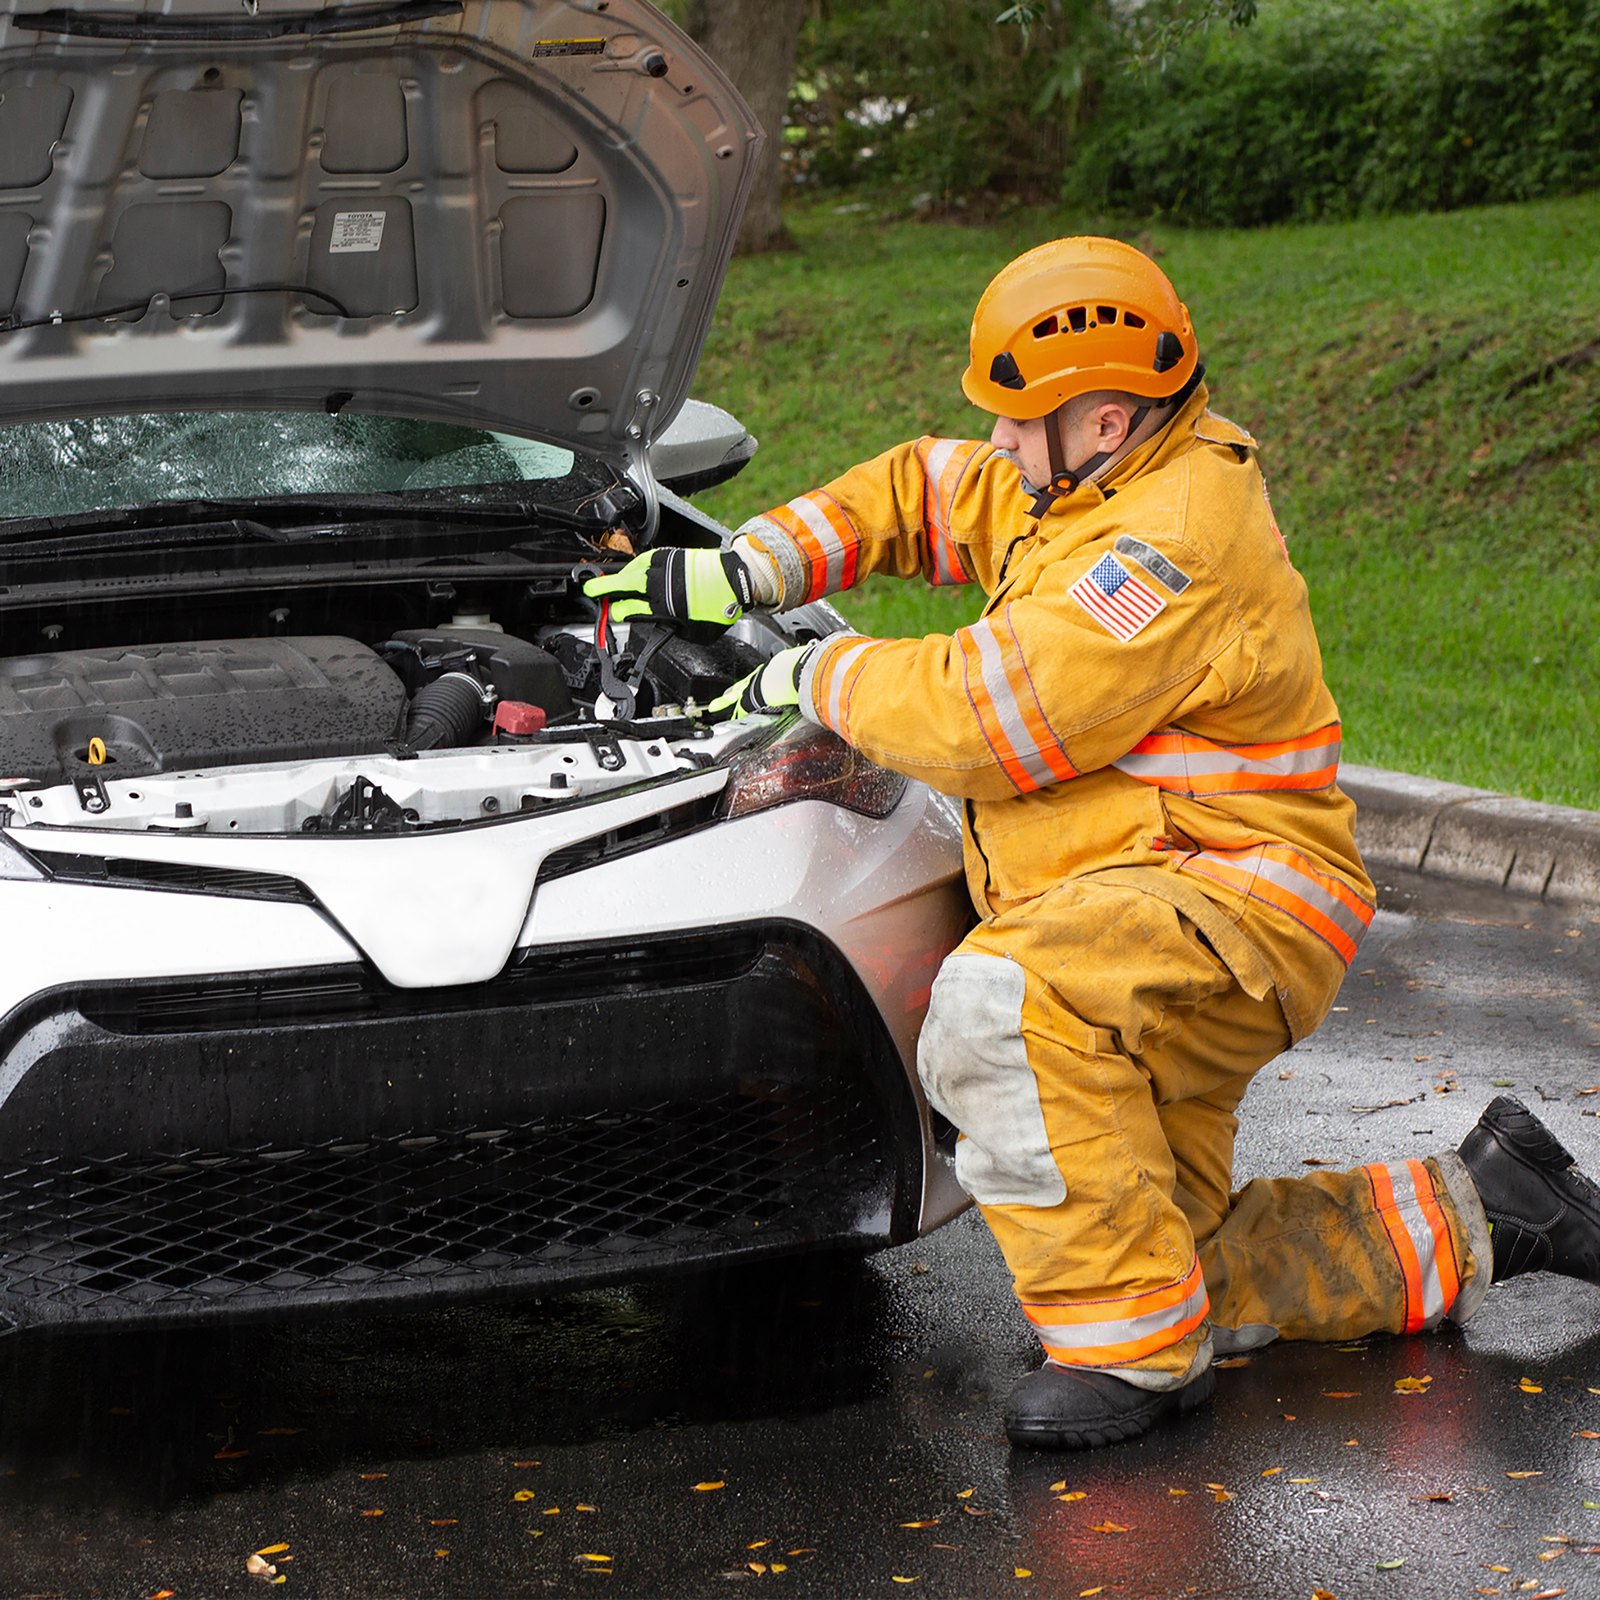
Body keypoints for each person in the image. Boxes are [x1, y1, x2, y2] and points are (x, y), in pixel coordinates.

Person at [586, 237, 1600, 1449]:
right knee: (1166, 1250)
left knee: (1002, 1009)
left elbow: (985, 716)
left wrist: (810, 668)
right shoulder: (1083, 478)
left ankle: (1134, 1366)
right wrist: (742, 567)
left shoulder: (1166, 546)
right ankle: (1495, 1205)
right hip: (1147, 895)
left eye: (1021, 424)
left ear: (1107, 419)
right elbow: (921, 487)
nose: (1002, 447)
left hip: (1227, 900)